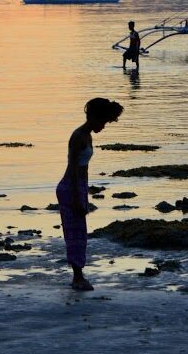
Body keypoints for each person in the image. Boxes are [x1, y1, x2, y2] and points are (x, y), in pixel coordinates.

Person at [56, 98, 124, 291]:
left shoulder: (88, 136)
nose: (103, 126)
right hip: (70, 187)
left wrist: (85, 192)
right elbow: (74, 168)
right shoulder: (78, 136)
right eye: (103, 122)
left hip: (79, 187)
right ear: (93, 117)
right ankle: (77, 277)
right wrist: (78, 196)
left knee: (80, 233)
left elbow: (84, 169)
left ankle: (78, 275)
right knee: (75, 234)